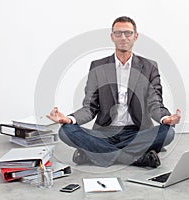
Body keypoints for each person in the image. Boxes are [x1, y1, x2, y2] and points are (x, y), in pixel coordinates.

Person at [47, 16, 181, 168]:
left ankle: (94, 152)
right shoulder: (98, 67)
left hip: (136, 133)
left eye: (128, 33)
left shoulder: (149, 67)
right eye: (118, 33)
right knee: (65, 131)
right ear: (112, 37)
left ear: (135, 37)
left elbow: (154, 103)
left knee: (168, 132)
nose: (123, 37)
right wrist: (69, 119)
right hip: (104, 133)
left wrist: (165, 118)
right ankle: (134, 158)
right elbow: (89, 108)